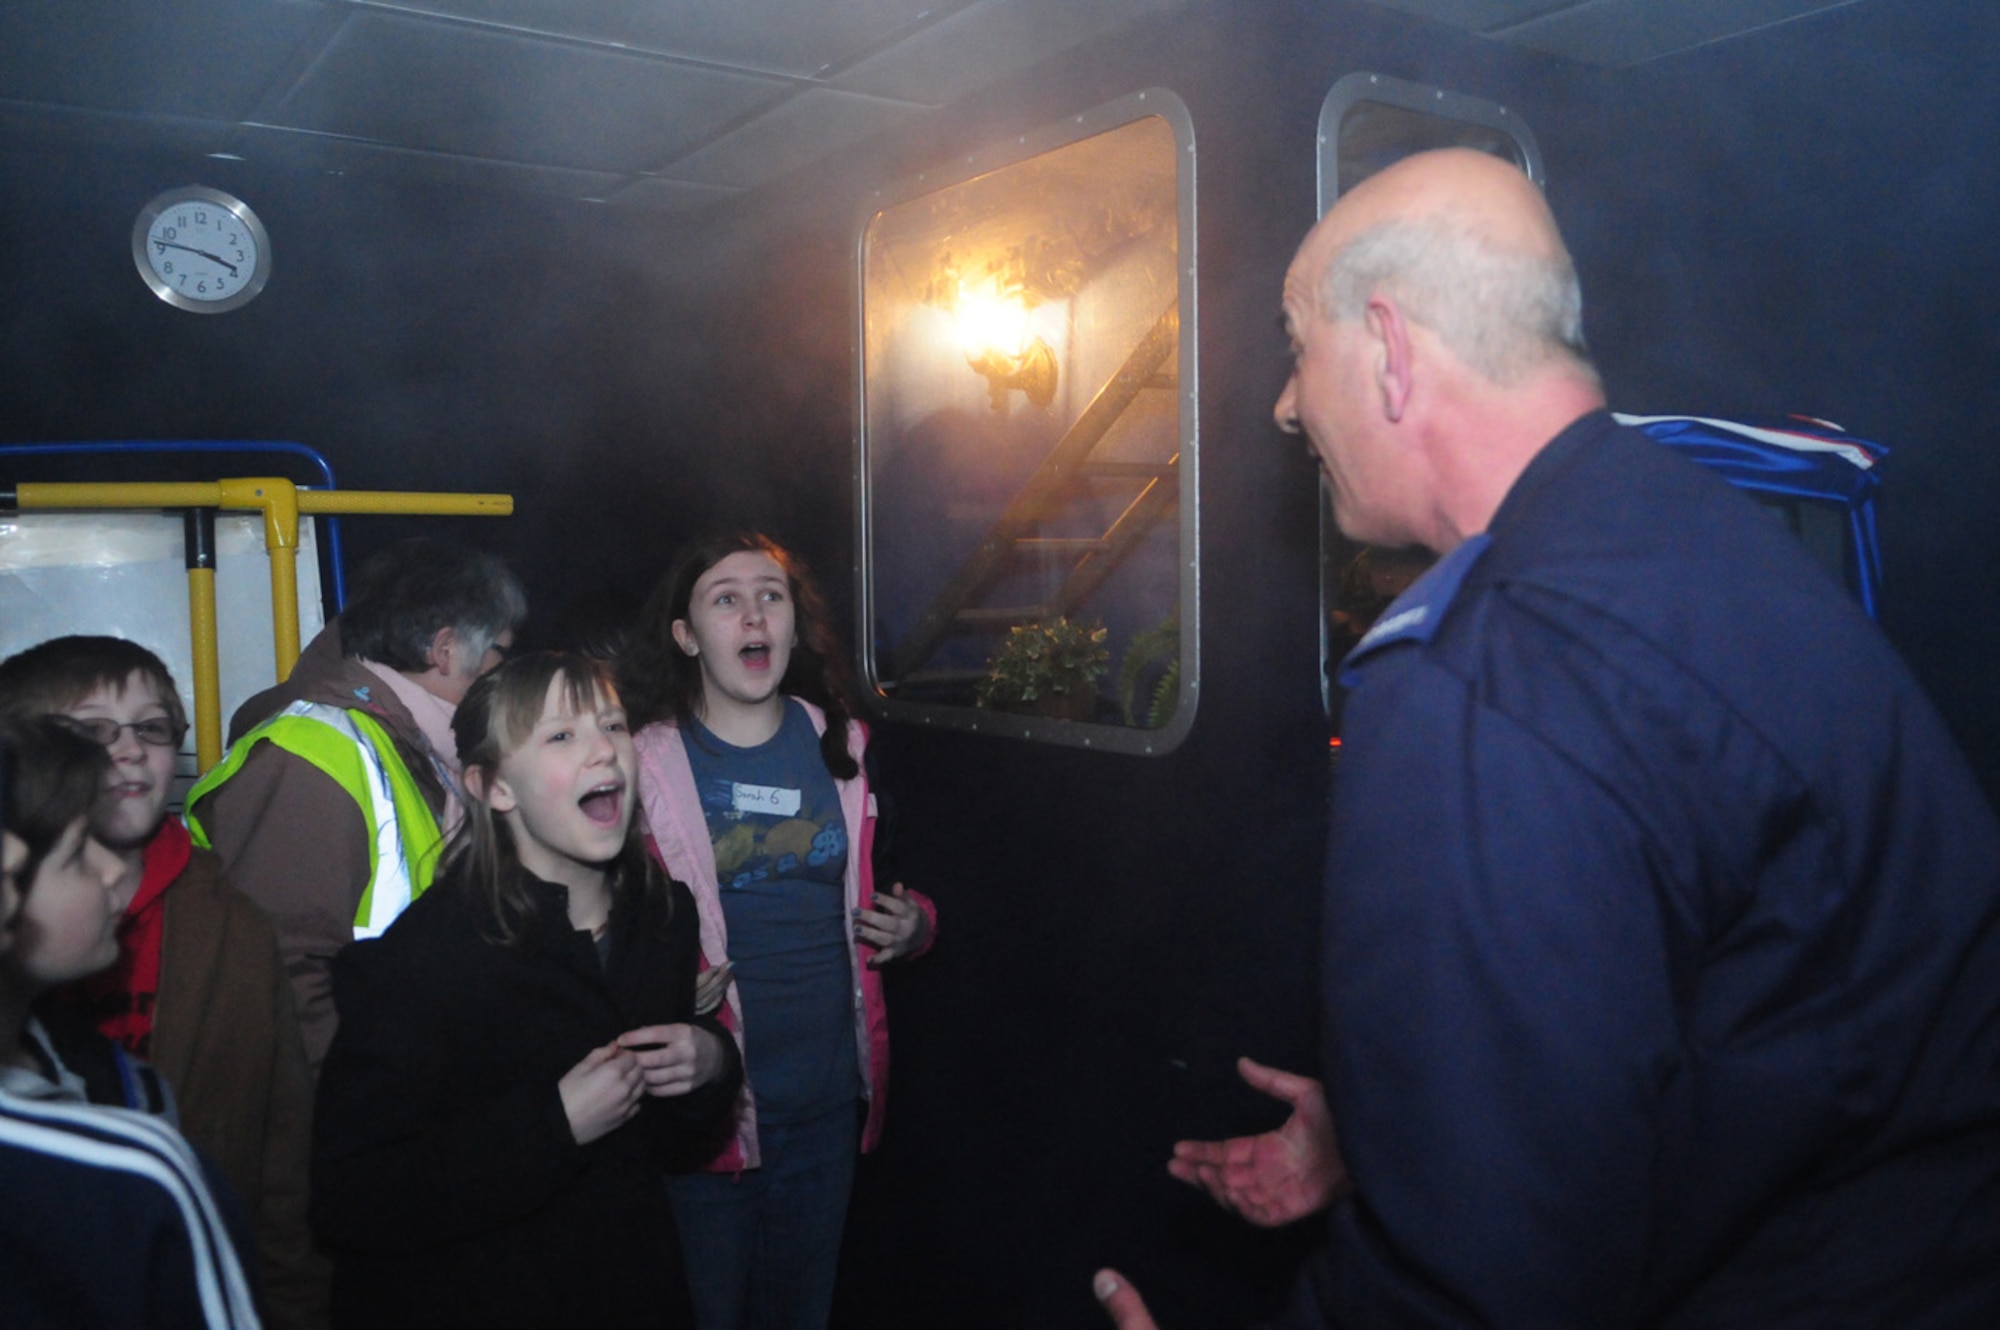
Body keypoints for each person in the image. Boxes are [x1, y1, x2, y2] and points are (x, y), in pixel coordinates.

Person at [1096, 148, 2000, 1326]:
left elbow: (1485, 1289)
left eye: (1296, 344)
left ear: (1389, 351)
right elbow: (1757, 1016)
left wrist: (1447, 1185)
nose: (1283, 403)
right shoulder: (1705, 539)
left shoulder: (1481, 673)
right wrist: (1406, 1131)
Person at [308, 651, 740, 1327]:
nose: (604, 750)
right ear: (494, 789)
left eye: (613, 726)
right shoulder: (428, 956)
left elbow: (672, 1146)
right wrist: (554, 1125)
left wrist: (711, 1063)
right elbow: (352, 1197)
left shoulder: (662, 916)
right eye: (561, 735)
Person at [622, 533, 938, 1330]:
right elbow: (592, 923)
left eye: (771, 595)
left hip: (825, 1111)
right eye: (725, 599)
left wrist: (916, 925)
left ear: (796, 626)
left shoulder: (843, 743)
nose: (754, 614)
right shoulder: (641, 763)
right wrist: (657, 986)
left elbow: (898, 881)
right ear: (686, 636)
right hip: (712, 1121)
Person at [0, 635, 327, 1329]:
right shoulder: (34, 952)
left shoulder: (233, 922)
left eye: (151, 729)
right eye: (92, 732)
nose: (127, 751)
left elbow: (280, 1152)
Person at [186, 537, 525, 1076]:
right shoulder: (309, 760)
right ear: (446, 650)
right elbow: (281, 978)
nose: (507, 674)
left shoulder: (415, 747)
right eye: (500, 653)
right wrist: (371, 1105)